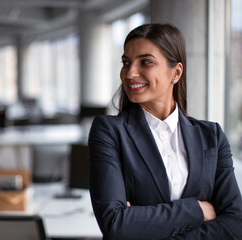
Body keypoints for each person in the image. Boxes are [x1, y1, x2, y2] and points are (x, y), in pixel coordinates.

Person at [88, 23, 242, 240]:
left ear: (176, 72)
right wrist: (198, 210)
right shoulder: (109, 132)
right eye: (126, 62)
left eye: (145, 62)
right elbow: (116, 224)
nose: (130, 73)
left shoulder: (212, 136)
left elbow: (235, 224)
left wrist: (141, 222)